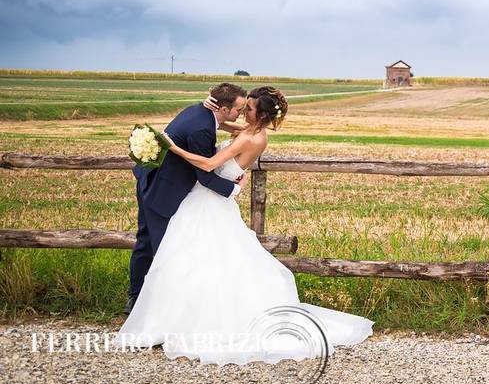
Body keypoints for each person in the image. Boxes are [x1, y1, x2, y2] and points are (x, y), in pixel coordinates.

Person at [119, 86, 374, 364]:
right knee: (199, 256)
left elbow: (207, 165)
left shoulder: (249, 139)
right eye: (243, 107)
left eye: (249, 109)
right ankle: (182, 310)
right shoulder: (252, 131)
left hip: (209, 200)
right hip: (209, 198)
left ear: (261, 114)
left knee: (192, 256)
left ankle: (189, 316)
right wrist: (211, 109)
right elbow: (231, 124)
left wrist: (174, 148)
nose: (244, 112)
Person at [126, 82, 248, 316]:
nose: (240, 115)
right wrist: (234, 189)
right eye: (238, 110)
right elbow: (205, 176)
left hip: (149, 179)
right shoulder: (202, 128)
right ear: (223, 109)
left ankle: (137, 299)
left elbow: (222, 126)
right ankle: (154, 308)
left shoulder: (198, 111)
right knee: (163, 248)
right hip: (163, 191)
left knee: (146, 242)